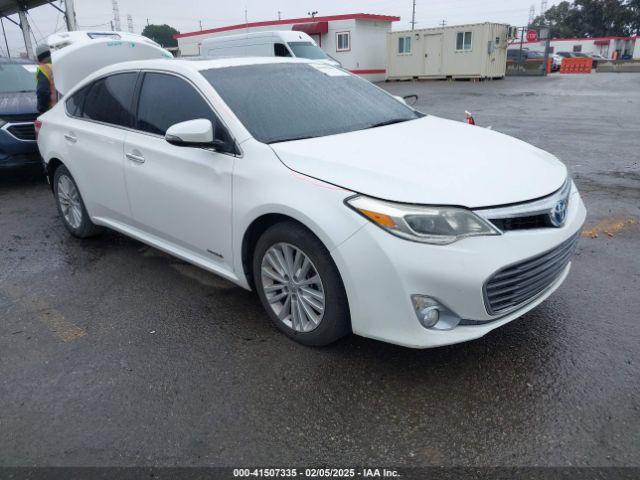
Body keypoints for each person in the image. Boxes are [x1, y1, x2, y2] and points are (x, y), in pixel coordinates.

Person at [35, 44, 56, 113]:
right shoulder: (58, 65)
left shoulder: (43, 69)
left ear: (39, 58)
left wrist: (41, 108)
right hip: (65, 109)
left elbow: (42, 91)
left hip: (51, 110)